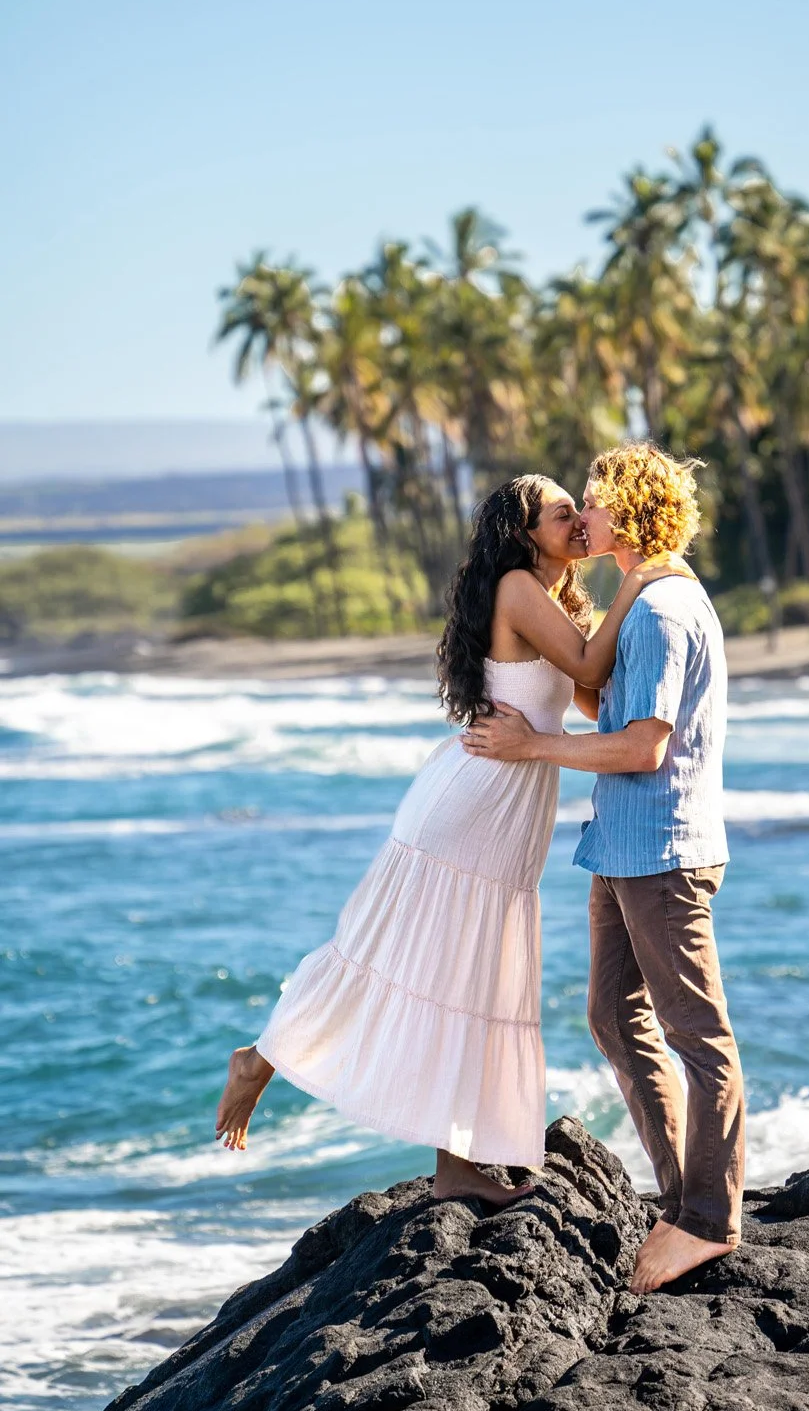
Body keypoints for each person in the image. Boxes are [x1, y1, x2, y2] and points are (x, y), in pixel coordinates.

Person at [214, 473, 691, 1205]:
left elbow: (589, 692)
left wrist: (616, 612)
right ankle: (263, 1059)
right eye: (561, 514)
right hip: (478, 801)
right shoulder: (518, 588)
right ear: (527, 533)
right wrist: (644, 572)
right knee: (410, 960)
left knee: (468, 971)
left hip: (508, 797)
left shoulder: (555, 597)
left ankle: (456, 1165)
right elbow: (592, 668)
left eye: (575, 512)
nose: (576, 522)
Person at [462, 442, 743, 1287]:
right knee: (616, 1019)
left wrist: (531, 744)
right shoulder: (645, 599)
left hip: (660, 853)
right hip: (623, 850)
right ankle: (678, 1202)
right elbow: (599, 693)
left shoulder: (661, 612)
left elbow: (641, 747)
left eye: (592, 500)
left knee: (699, 1037)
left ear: (628, 511)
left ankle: (707, 1220)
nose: (581, 514)